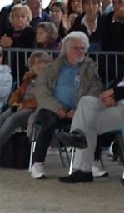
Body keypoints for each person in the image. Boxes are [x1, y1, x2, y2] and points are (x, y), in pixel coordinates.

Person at [56, 36, 124, 183]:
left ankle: (81, 165)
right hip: (115, 104)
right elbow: (115, 86)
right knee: (86, 103)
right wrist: (110, 95)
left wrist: (115, 94)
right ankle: (78, 146)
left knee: (88, 124)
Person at [29, 31, 102, 179]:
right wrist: (58, 108)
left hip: (78, 109)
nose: (80, 51)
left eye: (83, 48)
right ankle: (37, 163)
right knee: (49, 122)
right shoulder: (51, 68)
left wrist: (78, 110)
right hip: (53, 108)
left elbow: (95, 89)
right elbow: (41, 92)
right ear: (66, 49)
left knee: (94, 122)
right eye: (76, 48)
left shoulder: (90, 68)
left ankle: (92, 162)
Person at [0, 51, 53, 169]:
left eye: (42, 63)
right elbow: (18, 93)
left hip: (37, 109)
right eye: (35, 63)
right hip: (22, 106)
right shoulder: (29, 78)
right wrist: (14, 102)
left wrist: (24, 105)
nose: (39, 66)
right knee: (0, 119)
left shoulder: (50, 80)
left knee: (13, 118)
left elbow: (43, 98)